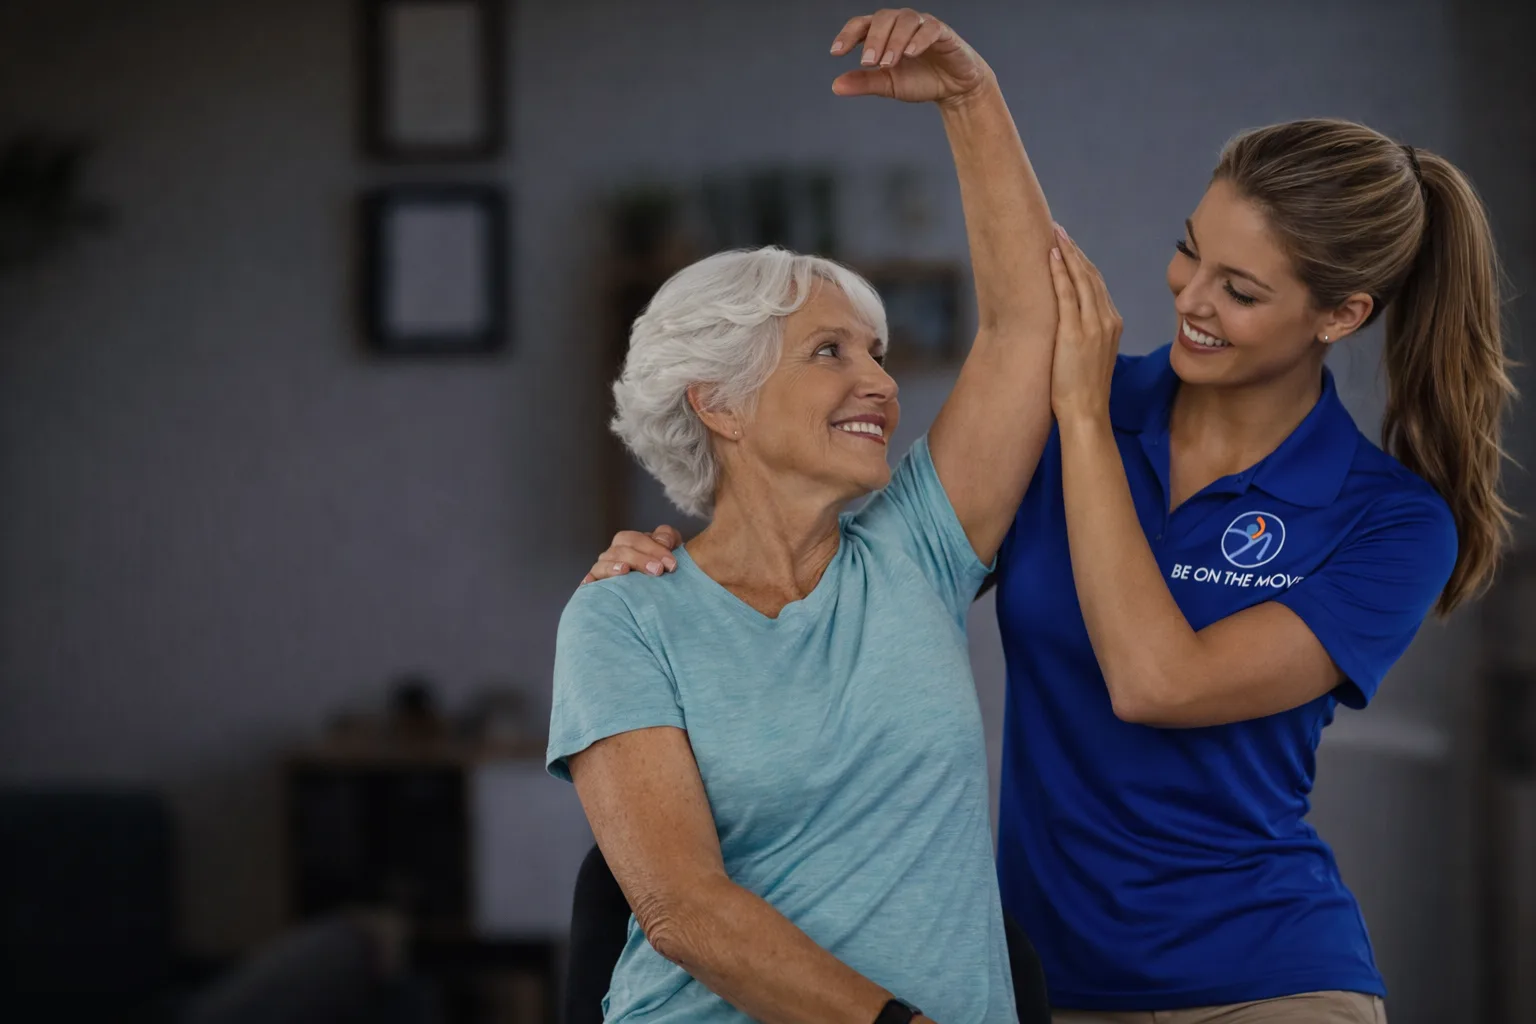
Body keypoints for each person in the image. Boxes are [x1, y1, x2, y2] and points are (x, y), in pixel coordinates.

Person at [589, 94, 1515, 1024]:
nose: (1190, 299)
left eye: (1241, 289)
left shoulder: (1390, 521)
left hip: (1266, 970)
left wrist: (1083, 421)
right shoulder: (1076, 400)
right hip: (1041, 973)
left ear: (1341, 314)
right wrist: (674, 591)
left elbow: (1158, 682)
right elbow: (1015, 330)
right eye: (1190, 250)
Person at [549, 10, 1062, 1022]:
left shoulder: (917, 550)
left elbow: (1022, 324)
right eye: (831, 351)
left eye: (875, 351)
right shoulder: (624, 619)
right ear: (720, 400)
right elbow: (683, 908)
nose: (878, 379)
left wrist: (970, 98)